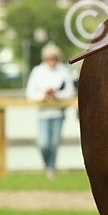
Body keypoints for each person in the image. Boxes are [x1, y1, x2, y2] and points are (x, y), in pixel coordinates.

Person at [25, 43, 76, 178]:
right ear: (45, 58)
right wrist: (43, 95)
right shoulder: (38, 71)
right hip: (43, 112)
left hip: (58, 112)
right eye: (49, 58)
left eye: (54, 58)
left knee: (54, 143)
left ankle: (51, 169)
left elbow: (70, 91)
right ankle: (48, 165)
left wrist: (56, 95)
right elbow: (30, 92)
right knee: (43, 143)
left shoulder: (63, 70)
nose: (52, 61)